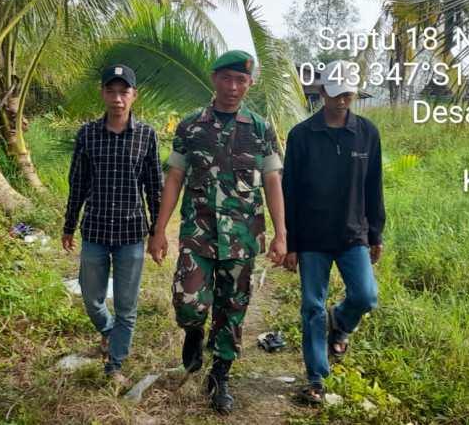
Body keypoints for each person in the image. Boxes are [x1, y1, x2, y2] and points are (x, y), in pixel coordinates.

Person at [148, 50, 286, 414]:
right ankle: (194, 332)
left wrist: (281, 234)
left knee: (232, 309)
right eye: (226, 78)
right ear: (214, 79)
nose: (232, 87)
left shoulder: (260, 128)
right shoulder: (191, 126)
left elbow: (272, 181)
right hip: (199, 232)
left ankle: (220, 375)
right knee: (189, 303)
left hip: (243, 236)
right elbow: (174, 178)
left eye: (241, 80)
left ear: (249, 84)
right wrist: (159, 230)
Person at [282, 60, 385, 404]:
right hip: (312, 238)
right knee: (312, 306)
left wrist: (376, 233)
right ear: (322, 91)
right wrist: (291, 242)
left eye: (348, 94)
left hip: (353, 235)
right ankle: (316, 377)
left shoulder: (367, 132)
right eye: (336, 93)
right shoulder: (301, 135)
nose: (342, 100)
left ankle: (340, 320)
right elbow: (289, 192)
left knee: (366, 296)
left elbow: (374, 186)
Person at [62, 64, 163, 382]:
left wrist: (157, 232)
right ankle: (108, 330)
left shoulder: (147, 135)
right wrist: (69, 225)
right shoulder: (87, 134)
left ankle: (115, 365)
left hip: (131, 233)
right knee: (91, 299)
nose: (117, 98)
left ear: (134, 95)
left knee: (126, 306)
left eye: (124, 91)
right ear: (102, 94)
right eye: (111, 91)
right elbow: (77, 183)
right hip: (95, 229)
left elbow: (154, 188)